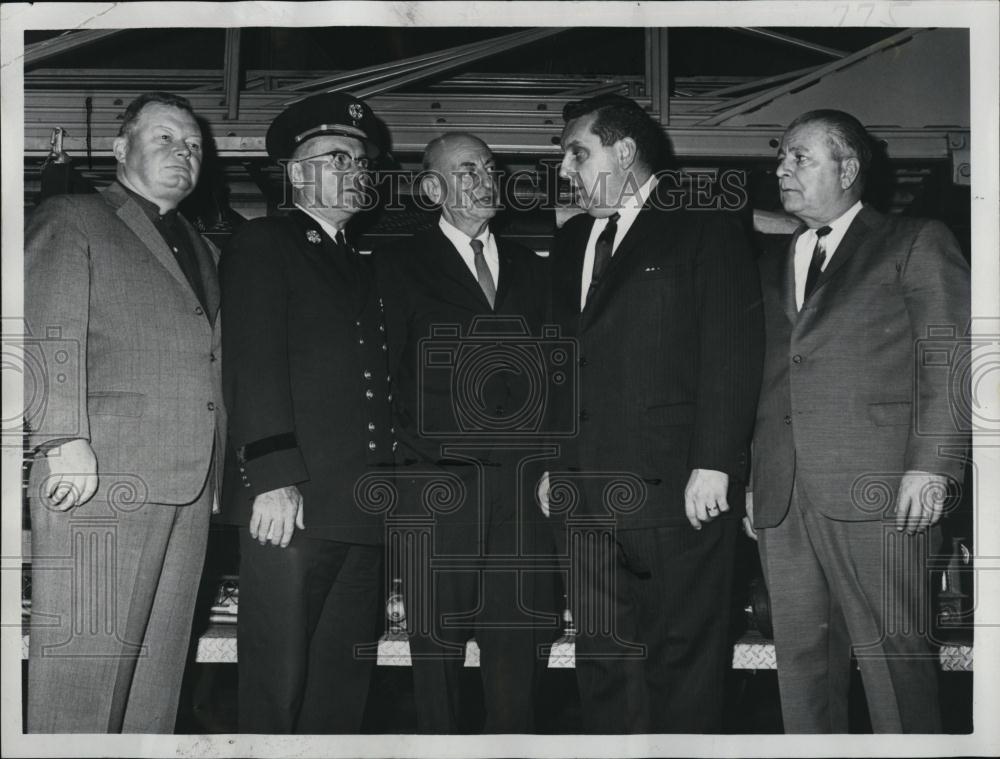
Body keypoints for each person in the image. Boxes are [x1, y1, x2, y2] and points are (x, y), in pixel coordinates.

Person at [541, 93, 763, 733]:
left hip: (676, 489)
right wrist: (557, 464)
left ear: (625, 152)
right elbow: (561, 361)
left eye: (576, 154)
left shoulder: (702, 220)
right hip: (584, 491)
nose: (564, 171)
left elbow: (731, 347)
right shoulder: (573, 239)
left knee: (681, 659)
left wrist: (716, 461)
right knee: (603, 659)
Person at [748, 109, 970, 733]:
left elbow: (950, 359)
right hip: (784, 495)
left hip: (883, 491)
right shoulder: (775, 259)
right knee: (801, 669)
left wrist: (932, 469)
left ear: (848, 169)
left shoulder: (915, 240)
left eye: (800, 157)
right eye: (782, 157)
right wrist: (754, 477)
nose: (782, 169)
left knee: (894, 668)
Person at [24, 91, 223, 732]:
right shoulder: (74, 214)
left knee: (154, 684)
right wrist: (60, 437)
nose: (182, 152)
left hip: (187, 484)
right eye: (164, 138)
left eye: (192, 144)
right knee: (84, 676)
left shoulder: (203, 247)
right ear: (120, 150)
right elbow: (41, 326)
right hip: (100, 475)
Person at [218, 92, 393, 733]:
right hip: (289, 504)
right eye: (336, 156)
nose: (355, 169)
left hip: (358, 506)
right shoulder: (266, 241)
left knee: (340, 688)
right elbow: (252, 361)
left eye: (362, 160)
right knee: (277, 684)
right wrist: (271, 477)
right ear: (296, 174)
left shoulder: (355, 260)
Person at [375, 133, 556, 732]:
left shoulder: (535, 268)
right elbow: (382, 375)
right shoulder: (394, 265)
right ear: (431, 188)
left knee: (520, 656)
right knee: (438, 659)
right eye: (466, 169)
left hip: (522, 498)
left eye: (489, 166)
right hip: (436, 491)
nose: (484, 178)